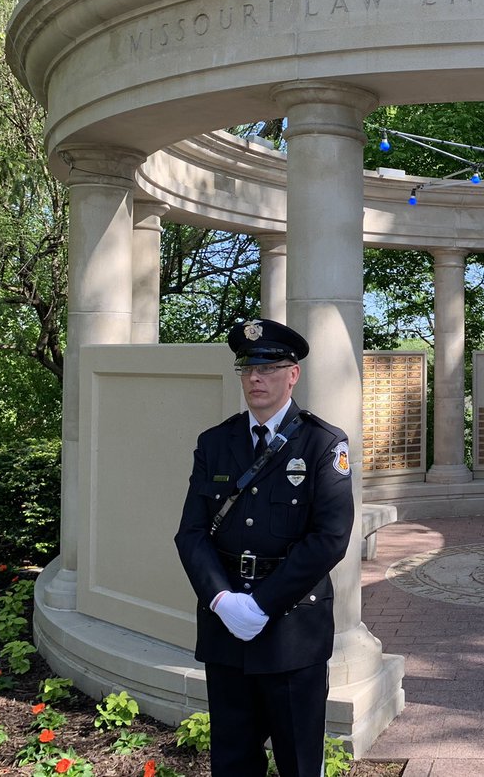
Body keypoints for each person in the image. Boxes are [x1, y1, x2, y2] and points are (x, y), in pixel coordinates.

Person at [175, 317, 355, 777]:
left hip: (291, 628)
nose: (255, 378)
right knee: (232, 762)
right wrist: (221, 599)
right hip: (226, 628)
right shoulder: (215, 443)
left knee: (299, 762)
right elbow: (191, 533)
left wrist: (261, 604)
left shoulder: (322, 442)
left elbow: (329, 538)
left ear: (292, 374)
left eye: (269, 368)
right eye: (247, 369)